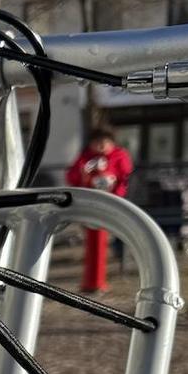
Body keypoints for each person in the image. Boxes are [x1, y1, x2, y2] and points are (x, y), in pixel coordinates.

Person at [65, 125, 133, 294]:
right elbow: (72, 176)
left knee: (102, 242)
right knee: (92, 243)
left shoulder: (119, 156)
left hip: (110, 203)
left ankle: (97, 281)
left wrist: (116, 196)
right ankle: (92, 281)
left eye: (105, 142)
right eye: (97, 142)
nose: (101, 146)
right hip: (90, 204)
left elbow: (124, 176)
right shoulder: (86, 158)